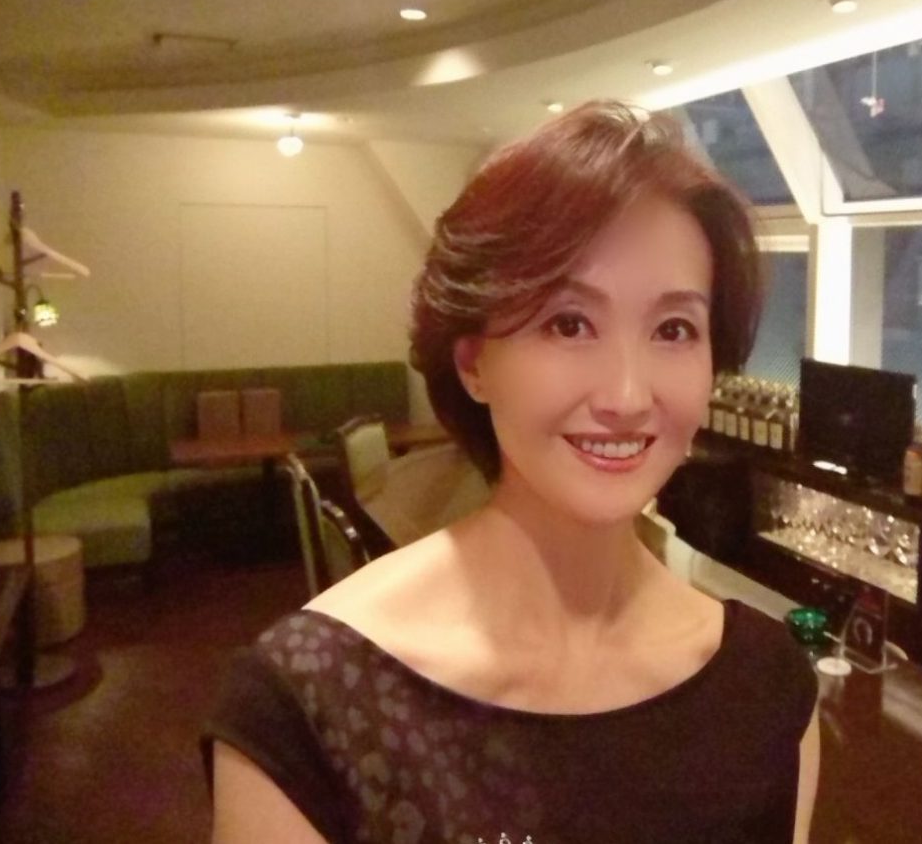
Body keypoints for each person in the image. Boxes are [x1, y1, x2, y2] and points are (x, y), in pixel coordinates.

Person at [204, 100, 820, 844]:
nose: (628, 397)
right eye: (569, 323)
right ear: (474, 363)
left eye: (673, 329)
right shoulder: (312, 704)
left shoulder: (769, 690)